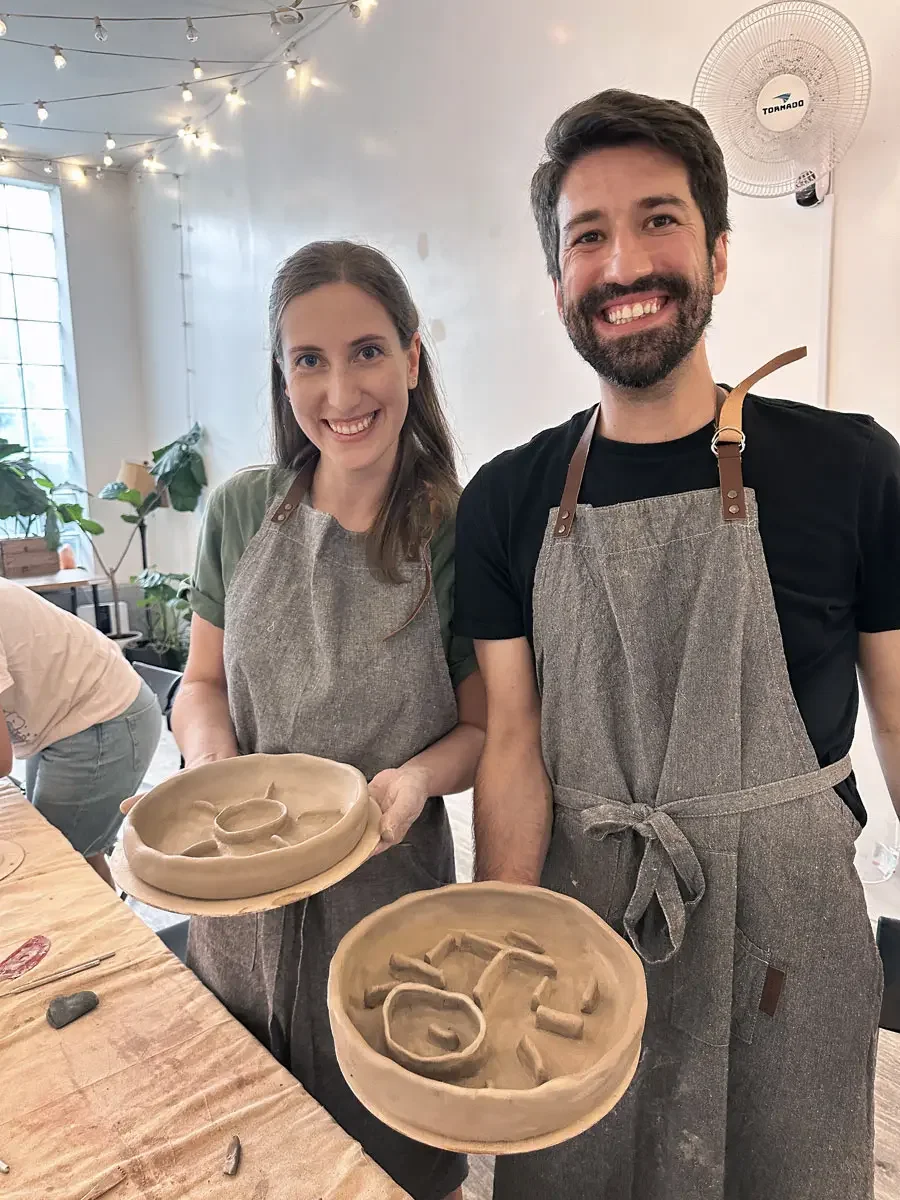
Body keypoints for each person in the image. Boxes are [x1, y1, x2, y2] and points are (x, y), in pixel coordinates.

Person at [454, 89, 897, 1199]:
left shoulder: (850, 468)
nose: (622, 265)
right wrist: (509, 950)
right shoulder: (507, 499)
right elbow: (511, 744)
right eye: (586, 237)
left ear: (719, 251)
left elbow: (899, 710)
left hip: (788, 949)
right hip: (585, 940)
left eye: (658, 221)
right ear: (558, 279)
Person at [170, 241, 484, 1200]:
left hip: (386, 896)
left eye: (367, 352)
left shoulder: (454, 527)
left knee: (383, 1150)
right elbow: (200, 683)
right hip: (242, 901)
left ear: (412, 359)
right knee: (251, 1150)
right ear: (282, 374)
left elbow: (483, 731)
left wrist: (416, 780)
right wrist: (210, 763)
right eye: (308, 360)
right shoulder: (238, 513)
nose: (340, 390)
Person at [0, 578, 161, 886]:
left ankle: (108, 934)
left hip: (100, 716)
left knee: (57, 865)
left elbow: (0, 761)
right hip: (62, 714)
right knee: (65, 853)